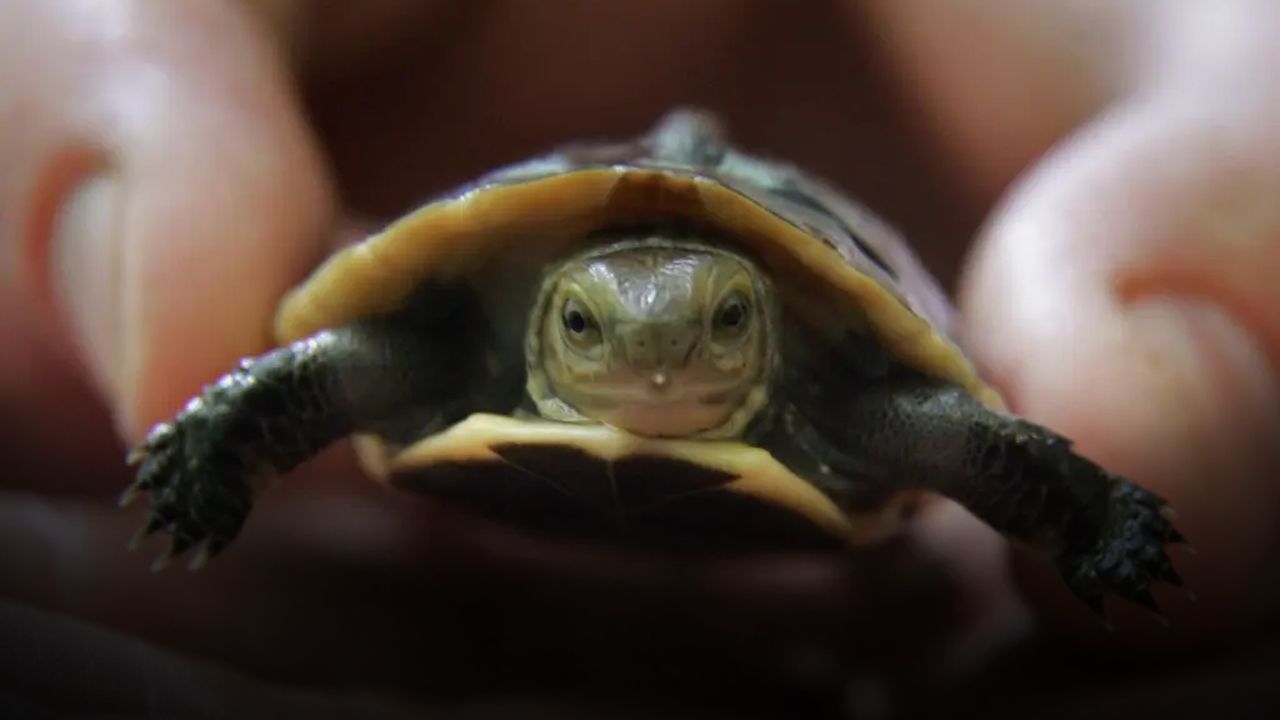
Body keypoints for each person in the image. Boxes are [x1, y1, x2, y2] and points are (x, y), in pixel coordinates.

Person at [2, 1, 1277, 715]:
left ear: (763, 329)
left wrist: (1088, 518)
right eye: (589, 329)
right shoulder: (444, 355)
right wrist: (222, 444)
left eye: (721, 324)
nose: (657, 356)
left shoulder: (860, 413)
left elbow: (960, 431)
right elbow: (337, 366)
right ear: (545, 323)